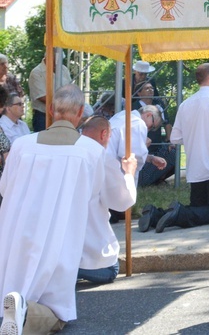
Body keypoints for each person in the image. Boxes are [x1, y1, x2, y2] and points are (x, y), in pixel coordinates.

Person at [0, 85, 105, 335]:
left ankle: (14, 306)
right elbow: (92, 194)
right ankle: (25, 312)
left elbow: (5, 188)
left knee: (10, 282)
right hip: (59, 238)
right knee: (56, 312)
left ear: (50, 110)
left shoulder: (22, 145)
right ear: (81, 113)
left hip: (17, 235)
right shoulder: (92, 151)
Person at [140, 63, 209, 233]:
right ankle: (177, 214)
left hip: (195, 172)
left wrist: (196, 136)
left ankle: (155, 215)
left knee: (198, 209)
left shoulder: (186, 104)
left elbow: (176, 138)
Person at [79, 115, 137, 284]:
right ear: (104, 134)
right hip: (93, 256)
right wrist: (129, 173)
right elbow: (121, 201)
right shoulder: (100, 156)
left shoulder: (62, 154)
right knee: (112, 268)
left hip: (59, 255)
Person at [134, 82, 175, 187]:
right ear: (139, 93)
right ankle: (145, 181)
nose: (150, 90)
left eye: (152, 88)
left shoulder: (159, 103)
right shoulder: (134, 107)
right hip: (144, 147)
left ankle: (158, 179)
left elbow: (167, 123)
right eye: (146, 88)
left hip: (158, 144)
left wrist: (169, 141)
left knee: (173, 153)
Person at [28, 54, 72, 132]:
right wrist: (65, 103)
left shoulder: (64, 69)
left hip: (63, 115)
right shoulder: (37, 72)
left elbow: (71, 89)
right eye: (56, 60)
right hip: (43, 116)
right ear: (48, 57)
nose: (58, 63)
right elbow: (42, 97)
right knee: (43, 142)